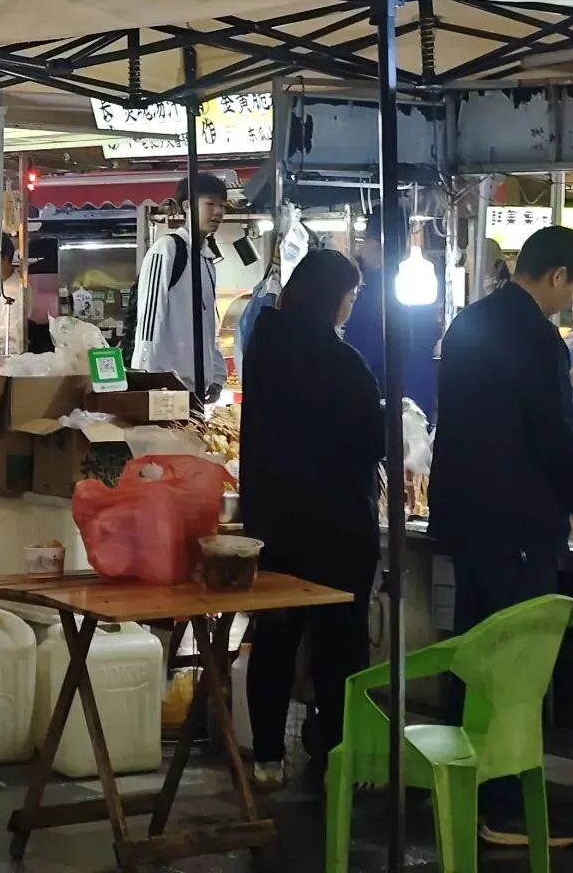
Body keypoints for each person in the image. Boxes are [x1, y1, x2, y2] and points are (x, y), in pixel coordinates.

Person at [428, 223, 573, 850]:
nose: (572, 299)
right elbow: (553, 433)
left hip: (467, 518)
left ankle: (457, 786)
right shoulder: (537, 337)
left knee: (471, 656)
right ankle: (504, 808)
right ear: (557, 276)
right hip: (518, 524)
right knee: (512, 668)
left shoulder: (470, 322)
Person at [241, 247, 384, 789]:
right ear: (335, 298)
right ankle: (335, 757)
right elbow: (371, 442)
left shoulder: (265, 343)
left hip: (275, 523)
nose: (352, 304)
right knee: (338, 645)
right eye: (351, 294)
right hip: (337, 527)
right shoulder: (343, 364)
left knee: (275, 638)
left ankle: (267, 758)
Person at [128, 173, 228, 397]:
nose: (218, 212)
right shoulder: (168, 249)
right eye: (210, 204)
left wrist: (217, 377)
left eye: (222, 206)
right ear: (187, 206)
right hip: (166, 387)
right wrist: (148, 379)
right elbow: (149, 319)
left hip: (196, 388)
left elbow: (208, 326)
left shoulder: (206, 260)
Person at [342, 210, 440, 421]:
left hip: (390, 404)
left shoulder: (377, 292)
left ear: (378, 245)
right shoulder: (417, 281)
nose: (360, 249)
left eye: (364, 241)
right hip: (415, 403)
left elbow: (364, 355)